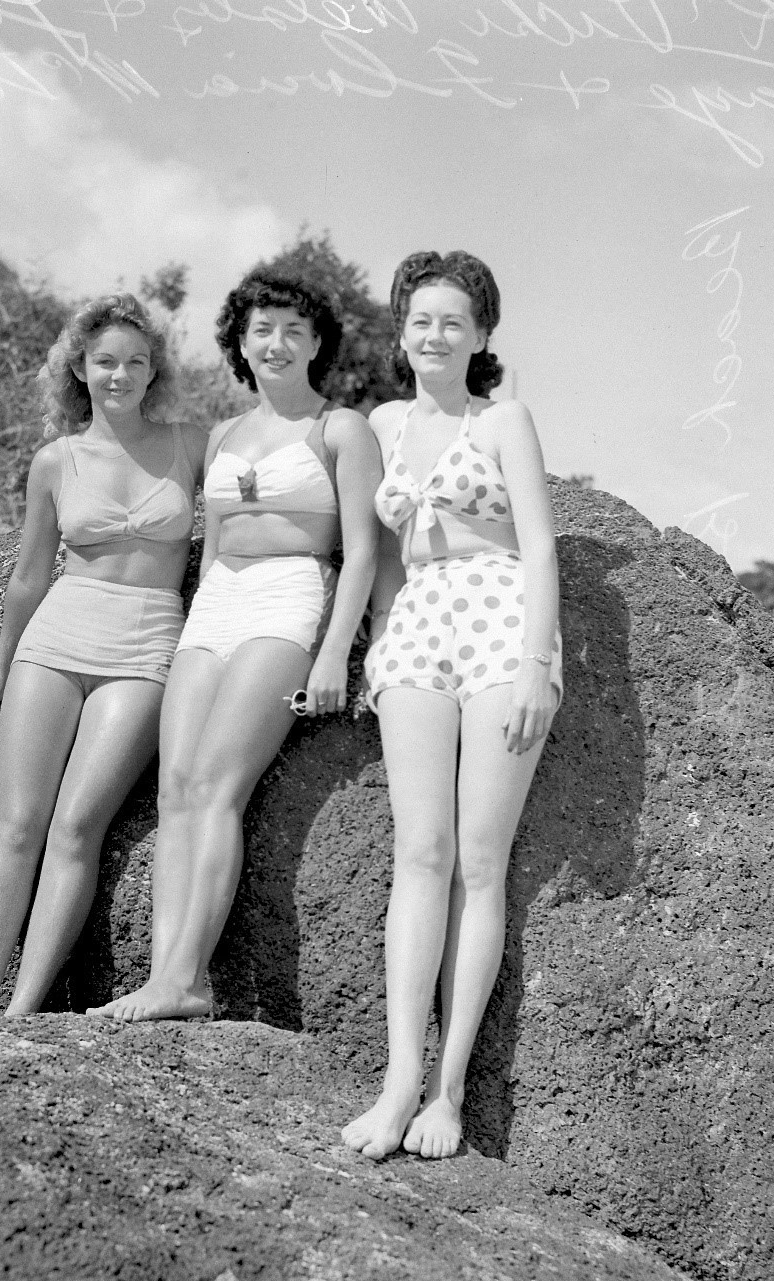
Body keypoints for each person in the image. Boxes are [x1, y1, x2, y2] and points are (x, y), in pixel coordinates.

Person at [88, 268, 382, 1022]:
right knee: (175, 788)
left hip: (289, 596)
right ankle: (164, 978)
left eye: (292, 330)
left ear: (317, 343)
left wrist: (331, 653)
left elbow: (362, 552)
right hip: (216, 605)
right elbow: (211, 546)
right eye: (261, 330)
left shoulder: (341, 429)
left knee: (218, 785)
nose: (276, 343)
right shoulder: (223, 435)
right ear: (239, 345)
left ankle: (186, 978)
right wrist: (188, 634)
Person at [342, 250, 563, 1161]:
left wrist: (533, 664)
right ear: (401, 330)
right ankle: (397, 1080)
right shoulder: (382, 423)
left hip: (500, 621)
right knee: (418, 853)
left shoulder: (503, 418)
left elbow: (543, 551)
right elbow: (384, 558)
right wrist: (375, 646)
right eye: (420, 320)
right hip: (417, 632)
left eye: (453, 323)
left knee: (479, 859)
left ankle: (448, 1089)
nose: (434, 335)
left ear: (480, 338)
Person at [0, 294, 206, 1020]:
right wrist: (1, 666)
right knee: (17, 825)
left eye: (135, 362)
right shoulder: (55, 461)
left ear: (154, 372)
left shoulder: (190, 445)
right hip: (55, 641)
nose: (119, 375)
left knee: (76, 827)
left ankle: (22, 1012)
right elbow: (30, 574)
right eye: (104, 363)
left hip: (147, 645)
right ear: (79, 371)